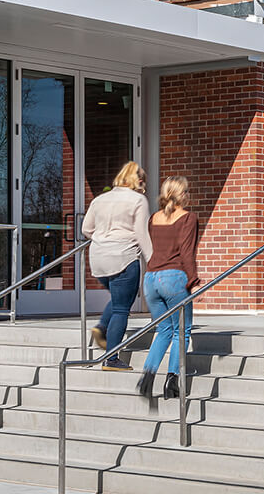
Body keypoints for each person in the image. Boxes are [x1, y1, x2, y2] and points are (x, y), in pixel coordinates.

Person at [81, 161, 153, 372]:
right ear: (138, 179)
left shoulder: (100, 199)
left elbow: (86, 229)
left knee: (119, 297)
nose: (143, 184)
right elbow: (141, 233)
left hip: (99, 258)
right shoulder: (138, 200)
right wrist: (153, 260)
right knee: (122, 308)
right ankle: (111, 358)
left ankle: (102, 326)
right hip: (124, 256)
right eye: (143, 180)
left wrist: (104, 240)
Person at [141, 175, 201, 401]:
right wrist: (193, 281)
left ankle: (147, 376)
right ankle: (172, 381)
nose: (189, 195)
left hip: (151, 279)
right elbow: (186, 254)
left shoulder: (154, 218)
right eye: (187, 192)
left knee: (163, 330)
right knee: (181, 331)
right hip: (173, 278)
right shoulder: (188, 218)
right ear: (180, 195)